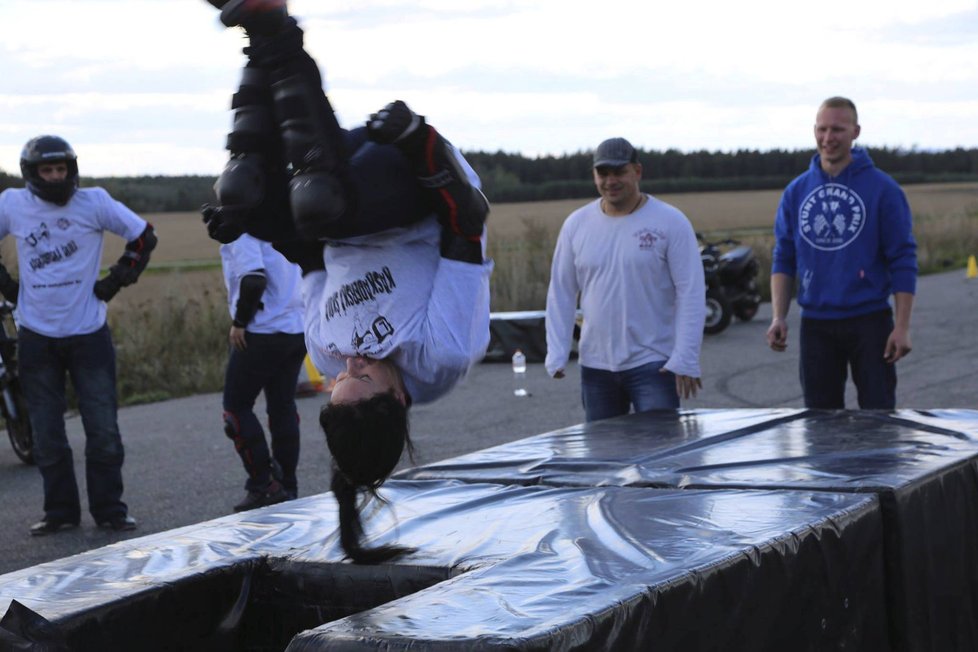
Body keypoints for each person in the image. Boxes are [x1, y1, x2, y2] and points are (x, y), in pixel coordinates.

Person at [203, 0, 491, 562]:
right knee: (321, 203)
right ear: (400, 396)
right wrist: (419, 144)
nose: (351, 364)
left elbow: (307, 258)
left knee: (240, 192)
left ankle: (263, 35)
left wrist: (244, 226)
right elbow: (467, 230)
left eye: (343, 380)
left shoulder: (327, 352)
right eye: (366, 374)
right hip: (417, 192)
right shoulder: (442, 355)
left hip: (342, 190)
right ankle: (272, 27)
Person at [0, 135, 157, 536]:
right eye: (47, 170)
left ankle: (110, 510)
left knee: (103, 429)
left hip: (89, 334)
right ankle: (60, 513)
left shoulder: (95, 201)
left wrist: (117, 279)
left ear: (72, 169)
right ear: (31, 174)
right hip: (36, 336)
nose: (55, 177)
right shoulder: (13, 204)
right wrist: (7, 286)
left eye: (61, 169)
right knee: (47, 435)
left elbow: (143, 236)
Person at [766, 96, 917, 409]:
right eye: (822, 129)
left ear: (855, 132)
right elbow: (784, 256)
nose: (828, 138)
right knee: (820, 425)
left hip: (871, 322)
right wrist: (778, 316)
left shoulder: (884, 190)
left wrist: (902, 327)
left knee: (878, 419)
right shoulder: (796, 191)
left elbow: (903, 259)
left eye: (837, 129)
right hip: (816, 325)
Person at [545, 137, 705, 421]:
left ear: (637, 172)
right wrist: (557, 352)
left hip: (655, 364)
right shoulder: (576, 225)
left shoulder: (670, 221)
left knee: (660, 456)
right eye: (603, 173)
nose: (610, 181)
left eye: (619, 172)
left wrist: (686, 357)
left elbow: (690, 291)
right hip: (596, 368)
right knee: (604, 460)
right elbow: (562, 292)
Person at [220, 233, 306, 512]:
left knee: (236, 408)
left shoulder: (242, 230)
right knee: (282, 407)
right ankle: (286, 486)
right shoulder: (279, 217)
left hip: (262, 331)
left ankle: (263, 485)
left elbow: (253, 277)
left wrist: (240, 321)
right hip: (296, 328)